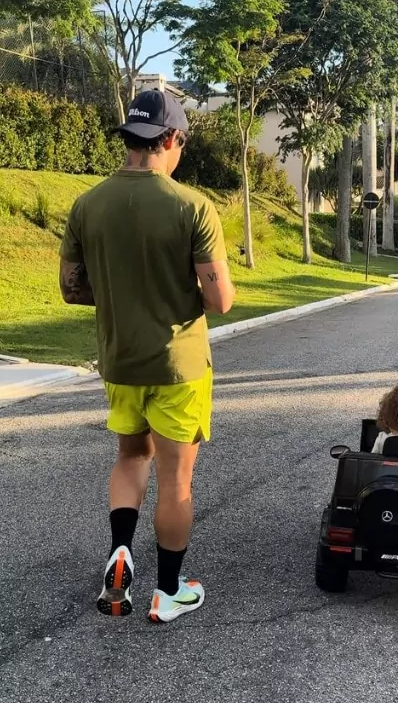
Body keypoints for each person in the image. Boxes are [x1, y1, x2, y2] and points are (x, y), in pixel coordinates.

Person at [59, 89, 235, 624]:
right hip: (177, 367)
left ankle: (119, 552)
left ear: (129, 141)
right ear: (171, 139)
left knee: (131, 458)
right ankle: (168, 591)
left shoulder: (87, 205)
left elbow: (72, 288)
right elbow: (220, 300)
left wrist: (121, 292)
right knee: (176, 481)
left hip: (120, 363)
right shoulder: (192, 207)